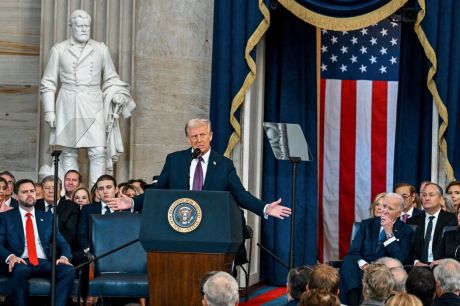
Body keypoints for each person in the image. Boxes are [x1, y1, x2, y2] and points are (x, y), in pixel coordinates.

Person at [109, 118, 291, 220]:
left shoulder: (223, 164)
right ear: (188, 140)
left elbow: (240, 194)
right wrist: (133, 203)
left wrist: (265, 208)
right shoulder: (175, 160)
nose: (199, 140)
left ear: (210, 136)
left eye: (203, 135)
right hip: (179, 222)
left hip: (210, 224)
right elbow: (158, 190)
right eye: (194, 136)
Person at [40, 9, 135, 186]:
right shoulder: (59, 50)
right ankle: (71, 197)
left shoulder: (100, 49)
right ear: (71, 27)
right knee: (69, 152)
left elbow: (110, 77)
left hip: (93, 102)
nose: (84, 29)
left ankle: (96, 195)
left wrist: (117, 93)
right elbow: (48, 82)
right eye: (80, 26)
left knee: (98, 150)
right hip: (69, 102)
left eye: (87, 26)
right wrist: (49, 111)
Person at [0, 179, 75, 306]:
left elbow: (62, 242)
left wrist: (64, 257)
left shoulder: (47, 217)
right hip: (20, 261)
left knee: (68, 270)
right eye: (25, 192)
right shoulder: (6, 217)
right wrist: (11, 257)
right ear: (16, 196)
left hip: (44, 261)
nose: (30, 194)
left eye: (32, 191)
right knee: (20, 271)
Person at [339, 193, 413, 306]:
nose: (384, 211)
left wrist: (389, 234)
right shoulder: (367, 225)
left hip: (384, 270)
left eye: (390, 208)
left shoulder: (406, 231)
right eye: (384, 206)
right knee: (348, 260)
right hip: (362, 268)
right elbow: (353, 251)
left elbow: (401, 259)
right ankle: (350, 302)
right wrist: (364, 264)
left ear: (399, 213)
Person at [407, 183, 457, 266]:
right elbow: (408, 248)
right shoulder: (412, 221)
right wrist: (416, 262)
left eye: (431, 195)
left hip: (443, 266)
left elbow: (453, 248)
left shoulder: (452, 220)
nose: (427, 198)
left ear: (441, 198)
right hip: (418, 267)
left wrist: (443, 262)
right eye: (424, 195)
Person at [77, 175, 127, 251]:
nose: (105, 191)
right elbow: (81, 235)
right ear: (97, 192)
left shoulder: (125, 209)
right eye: (101, 188)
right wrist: (90, 252)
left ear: (116, 189)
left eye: (109, 187)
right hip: (94, 254)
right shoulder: (88, 209)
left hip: (121, 253)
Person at [35, 176, 80, 252]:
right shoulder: (35, 206)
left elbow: (70, 234)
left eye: (54, 188)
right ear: (42, 190)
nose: (51, 191)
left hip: (62, 250)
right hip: (38, 250)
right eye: (47, 188)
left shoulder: (71, 207)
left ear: (61, 190)